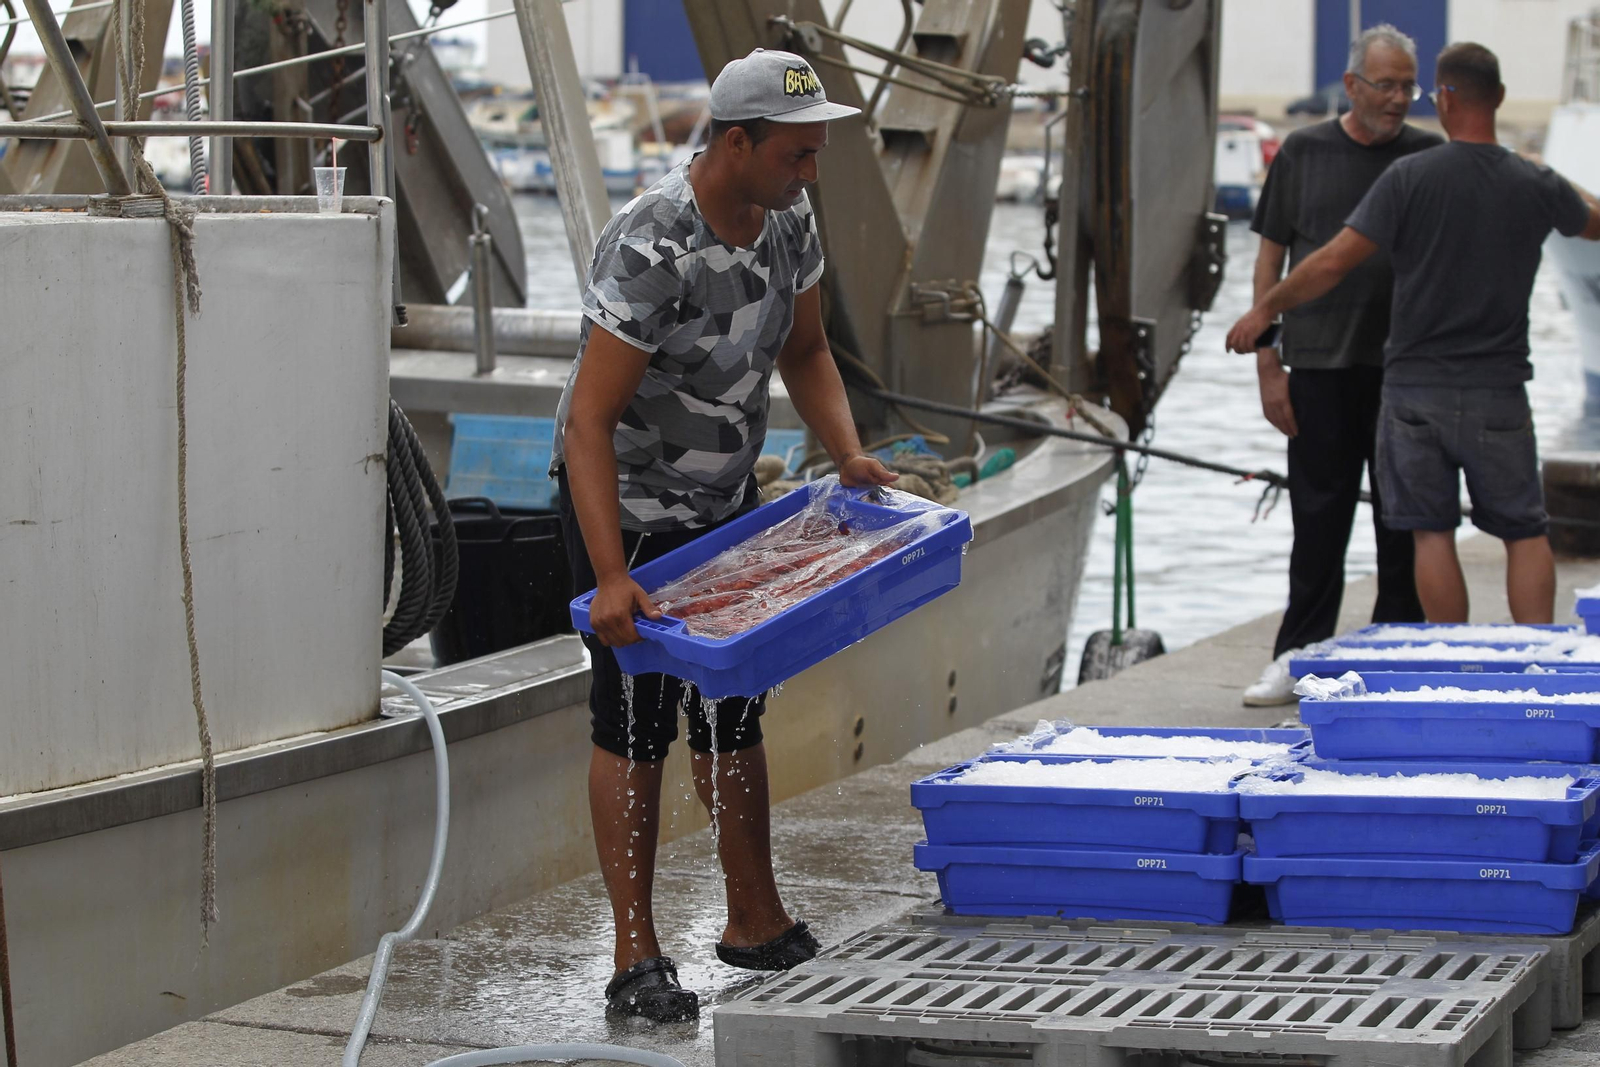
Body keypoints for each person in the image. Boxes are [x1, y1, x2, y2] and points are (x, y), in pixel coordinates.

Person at [550, 49, 897, 1022]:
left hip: (722, 502)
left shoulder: (788, 221)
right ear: (733, 141)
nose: (809, 173)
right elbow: (586, 421)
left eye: (815, 153)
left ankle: (753, 913)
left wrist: (850, 452)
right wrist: (613, 574)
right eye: (795, 154)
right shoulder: (651, 244)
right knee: (633, 715)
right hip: (623, 509)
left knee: (734, 706)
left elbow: (809, 347)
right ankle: (635, 954)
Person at [1227, 43, 1600, 626]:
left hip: (1414, 393)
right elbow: (1593, 221)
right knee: (1526, 533)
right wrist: (1544, 177)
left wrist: (1262, 314)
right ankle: (1541, 666)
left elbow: (1332, 262)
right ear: (1499, 97)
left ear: (1444, 98)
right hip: (1499, 390)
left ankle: (1451, 663)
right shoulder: (1534, 181)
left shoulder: (1410, 175)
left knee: (1431, 535)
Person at [1242, 24, 1439, 707]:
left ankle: (1397, 656)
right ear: (1351, 85)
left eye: (1409, 85)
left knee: (1402, 524)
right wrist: (1268, 364)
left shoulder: (1428, 154)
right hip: (1320, 364)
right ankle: (1296, 658)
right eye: (1386, 84)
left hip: (1405, 371)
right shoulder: (1303, 151)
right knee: (1318, 523)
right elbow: (1270, 257)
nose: (1399, 98)